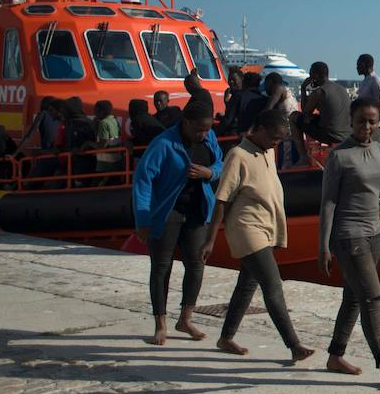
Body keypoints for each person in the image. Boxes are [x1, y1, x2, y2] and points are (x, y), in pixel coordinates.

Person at [204, 108, 316, 363]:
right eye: (274, 137)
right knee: (273, 285)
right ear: (261, 130)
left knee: (247, 284)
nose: (276, 142)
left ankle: (226, 336)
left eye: (279, 139)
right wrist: (210, 239)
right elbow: (222, 199)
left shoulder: (268, 150)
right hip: (247, 228)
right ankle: (294, 344)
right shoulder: (238, 155)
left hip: (267, 226)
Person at [319, 98, 380, 378]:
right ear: (351, 121)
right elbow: (328, 202)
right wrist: (324, 245)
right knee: (372, 297)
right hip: (348, 235)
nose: (366, 126)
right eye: (360, 121)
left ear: (378, 121)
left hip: (375, 235)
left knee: (353, 298)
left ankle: (335, 355)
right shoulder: (339, 156)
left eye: (371, 121)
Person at [132, 99, 223, 346]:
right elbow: (143, 180)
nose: (203, 134)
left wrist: (210, 173)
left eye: (207, 129)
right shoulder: (163, 144)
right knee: (162, 267)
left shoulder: (209, 138)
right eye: (198, 129)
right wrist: (142, 219)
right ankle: (160, 323)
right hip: (167, 211)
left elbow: (220, 163)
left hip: (197, 211)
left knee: (196, 264)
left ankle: (185, 319)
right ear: (186, 122)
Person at [298, 61, 351, 149]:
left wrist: (303, 88)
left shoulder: (320, 92)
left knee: (295, 118)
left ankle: (303, 155)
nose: (309, 78)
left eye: (310, 75)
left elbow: (305, 112)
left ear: (316, 76)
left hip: (331, 135)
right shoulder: (342, 89)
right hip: (347, 134)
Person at [262, 72, 302, 167]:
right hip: (293, 131)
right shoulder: (286, 91)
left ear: (271, 82)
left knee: (286, 163)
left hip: (288, 133)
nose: (265, 88)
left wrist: (253, 127)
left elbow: (269, 108)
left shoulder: (279, 89)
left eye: (266, 84)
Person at [87, 99, 125, 183]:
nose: (94, 113)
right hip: (116, 160)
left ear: (101, 111)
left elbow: (102, 145)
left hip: (105, 164)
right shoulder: (114, 120)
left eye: (96, 110)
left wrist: (88, 144)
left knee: (97, 185)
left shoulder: (103, 123)